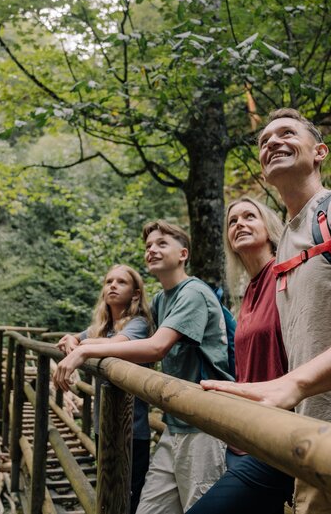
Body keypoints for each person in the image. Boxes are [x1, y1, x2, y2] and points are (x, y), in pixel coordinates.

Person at [201, 108, 331, 514]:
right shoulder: (284, 253)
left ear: (319, 152)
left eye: (287, 133)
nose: (273, 142)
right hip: (310, 447)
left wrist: (292, 384)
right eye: (264, 141)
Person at [53, 220, 232, 514]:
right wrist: (77, 339)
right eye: (148, 246)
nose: (152, 250)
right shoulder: (161, 300)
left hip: (205, 423)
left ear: (183, 254)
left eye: (162, 244)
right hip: (176, 422)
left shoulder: (193, 293)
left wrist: (83, 350)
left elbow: (156, 347)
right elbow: (114, 334)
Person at [186, 197, 293, 514]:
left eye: (250, 216)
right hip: (245, 436)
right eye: (232, 221)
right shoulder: (247, 294)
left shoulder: (286, 275)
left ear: (269, 228)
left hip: (279, 437)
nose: (239, 224)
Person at [56, 264, 154, 514]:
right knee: (107, 491)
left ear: (135, 293)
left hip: (132, 430)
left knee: (128, 498)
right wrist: (71, 339)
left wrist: (81, 345)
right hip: (104, 425)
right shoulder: (102, 327)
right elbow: (77, 338)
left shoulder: (139, 324)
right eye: (109, 281)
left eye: (121, 282)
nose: (112, 286)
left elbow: (115, 343)